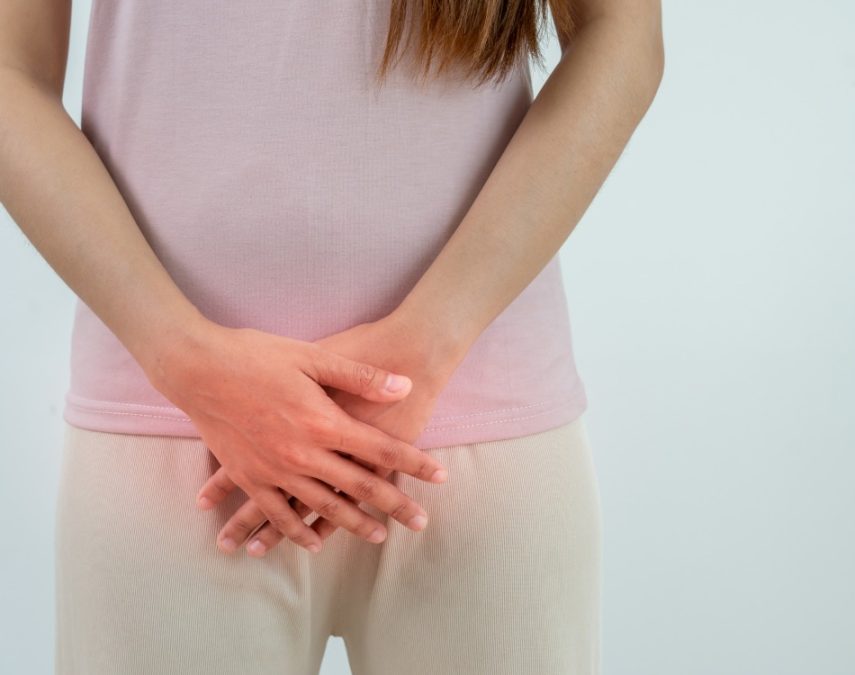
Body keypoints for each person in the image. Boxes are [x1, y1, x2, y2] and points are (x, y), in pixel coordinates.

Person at [0, 0, 664, 673]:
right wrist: (181, 355)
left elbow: (622, 34)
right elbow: (8, 71)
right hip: (175, 439)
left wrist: (432, 340)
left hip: (478, 442)